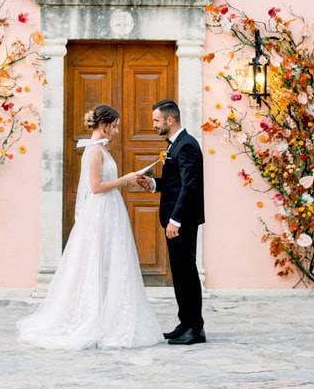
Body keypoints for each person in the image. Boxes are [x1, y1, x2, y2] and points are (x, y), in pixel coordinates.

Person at [17, 104, 163, 349]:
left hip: (111, 209)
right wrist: (125, 179)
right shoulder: (94, 151)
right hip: (101, 211)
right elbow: (95, 187)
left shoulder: (101, 149)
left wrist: (127, 179)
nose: (116, 131)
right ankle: (94, 315)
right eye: (114, 126)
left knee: (112, 261)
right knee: (98, 260)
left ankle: (110, 313)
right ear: (103, 124)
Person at [137, 98, 206, 345]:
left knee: (186, 272)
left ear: (169, 119)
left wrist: (176, 220)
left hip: (182, 220)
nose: (153, 125)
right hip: (174, 219)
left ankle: (195, 328)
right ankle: (185, 323)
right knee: (179, 273)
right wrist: (154, 184)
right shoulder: (174, 146)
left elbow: (190, 186)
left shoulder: (186, 146)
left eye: (156, 120)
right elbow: (175, 183)